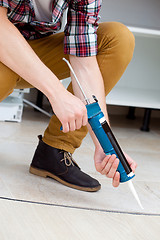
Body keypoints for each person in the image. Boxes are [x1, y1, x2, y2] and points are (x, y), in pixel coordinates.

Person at [0, 0, 137, 192]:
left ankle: (55, 149)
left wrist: (106, 145)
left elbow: (84, 61)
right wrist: (56, 93)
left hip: (32, 52)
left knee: (117, 39)